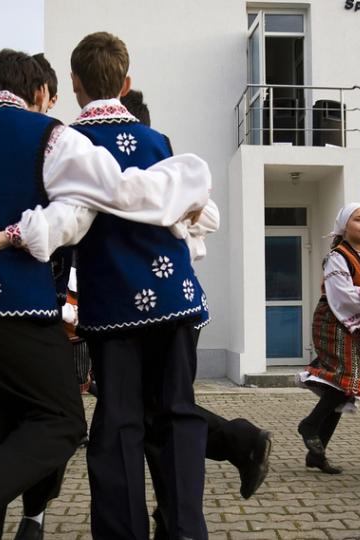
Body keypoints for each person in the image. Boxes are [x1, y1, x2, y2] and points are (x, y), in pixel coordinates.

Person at [0, 48, 212, 540]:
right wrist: (188, 189)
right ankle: (184, 530)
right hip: (46, 305)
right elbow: (96, 203)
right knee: (86, 419)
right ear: (40, 93)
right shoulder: (65, 139)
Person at [120, 88, 271, 539]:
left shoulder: (168, 171)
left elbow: (210, 217)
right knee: (158, 414)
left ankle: (237, 444)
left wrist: (170, 210)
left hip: (171, 307)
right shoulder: (122, 174)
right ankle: (176, 513)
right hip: (142, 308)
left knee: (163, 414)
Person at [297, 203, 360, 475]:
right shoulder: (336, 257)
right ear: (345, 225)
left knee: (344, 387)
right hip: (333, 322)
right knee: (346, 378)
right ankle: (310, 426)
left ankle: (317, 453)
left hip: (358, 326)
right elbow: (343, 296)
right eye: (358, 219)